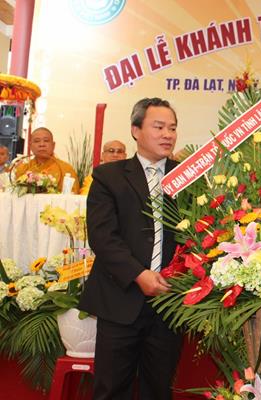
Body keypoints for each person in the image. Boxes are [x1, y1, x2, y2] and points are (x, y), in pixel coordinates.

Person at [79, 98, 181, 400]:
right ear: (136, 130)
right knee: (111, 389)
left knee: (159, 389)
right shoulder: (108, 176)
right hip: (120, 299)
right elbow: (102, 237)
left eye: (172, 128)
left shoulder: (186, 177)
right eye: (159, 127)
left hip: (169, 303)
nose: (168, 135)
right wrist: (139, 274)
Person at [14, 127, 80, 192]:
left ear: (53, 145)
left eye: (46, 140)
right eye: (37, 141)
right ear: (30, 146)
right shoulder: (23, 169)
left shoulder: (66, 169)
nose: (42, 144)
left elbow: (72, 196)